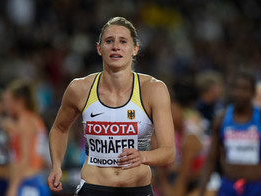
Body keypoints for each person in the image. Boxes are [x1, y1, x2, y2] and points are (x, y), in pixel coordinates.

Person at [47, 16, 175, 196]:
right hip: (93, 188)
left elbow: (168, 152)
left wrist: (142, 156)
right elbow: (59, 128)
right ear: (99, 49)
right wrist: (56, 166)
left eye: (123, 41)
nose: (116, 46)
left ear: (135, 49)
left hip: (136, 189)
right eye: (109, 41)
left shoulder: (153, 89)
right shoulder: (79, 88)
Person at [199, 71, 261, 196]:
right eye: (236, 88)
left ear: (253, 93)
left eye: (245, 89)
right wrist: (202, 189)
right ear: (230, 91)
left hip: (258, 187)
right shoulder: (222, 119)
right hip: (229, 186)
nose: (240, 93)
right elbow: (211, 158)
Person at [157, 79, 209, 196]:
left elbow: (184, 175)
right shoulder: (176, 131)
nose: (165, 116)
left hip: (202, 182)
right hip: (185, 177)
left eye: (171, 112)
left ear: (182, 111)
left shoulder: (190, 136)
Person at [3, 80, 50, 196]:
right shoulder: (32, 119)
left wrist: (13, 187)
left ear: (19, 101)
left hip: (27, 182)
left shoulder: (25, 121)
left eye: (7, 101)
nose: (5, 106)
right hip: (33, 179)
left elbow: (25, 158)